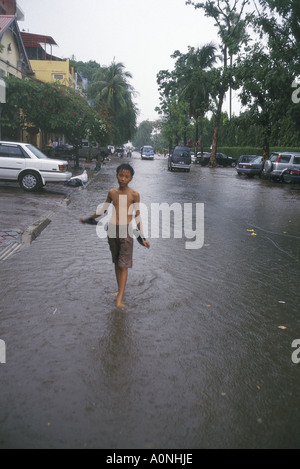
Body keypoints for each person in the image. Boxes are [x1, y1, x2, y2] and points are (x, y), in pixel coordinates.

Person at [80, 163, 150, 309]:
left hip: (126, 233)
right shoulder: (112, 192)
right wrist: (88, 218)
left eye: (126, 176)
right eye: (121, 175)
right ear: (116, 175)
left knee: (123, 266)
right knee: (117, 263)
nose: (123, 179)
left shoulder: (134, 195)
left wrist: (142, 238)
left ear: (131, 178)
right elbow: (103, 210)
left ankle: (119, 299)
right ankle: (120, 291)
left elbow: (137, 217)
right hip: (112, 231)